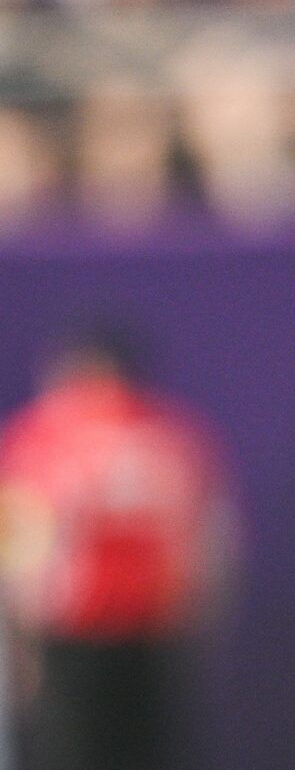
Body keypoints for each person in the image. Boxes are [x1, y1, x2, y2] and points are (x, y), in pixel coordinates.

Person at [0, 327, 237, 770]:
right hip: (156, 637)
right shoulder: (175, 437)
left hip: (73, 639)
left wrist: (19, 645)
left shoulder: (44, 437)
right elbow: (214, 549)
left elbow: (20, 554)